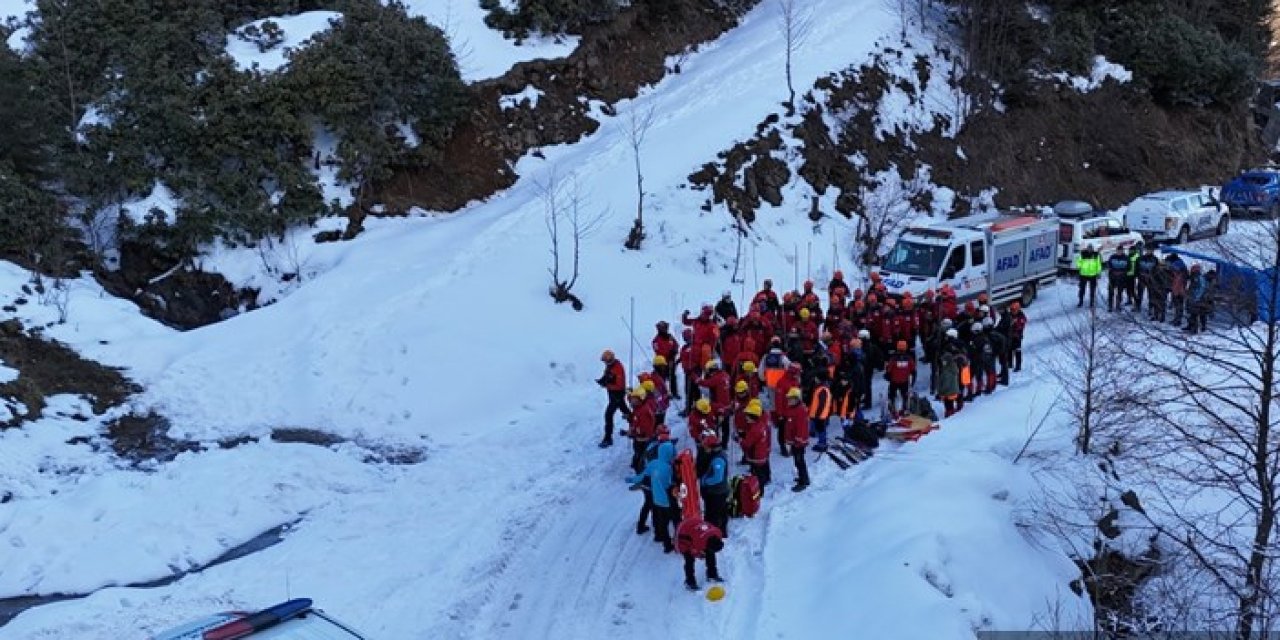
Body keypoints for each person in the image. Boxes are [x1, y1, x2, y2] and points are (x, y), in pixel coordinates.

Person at [627, 438, 677, 552]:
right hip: (668, 499)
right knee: (675, 519)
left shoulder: (653, 464)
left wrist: (632, 479)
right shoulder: (669, 468)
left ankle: (665, 544)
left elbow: (642, 476)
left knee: (662, 522)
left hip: (657, 499)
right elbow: (671, 483)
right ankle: (678, 541)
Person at [698, 430, 731, 539]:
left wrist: (705, 481)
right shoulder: (718, 453)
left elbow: (717, 478)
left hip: (716, 491)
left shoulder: (717, 460)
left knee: (713, 514)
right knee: (722, 511)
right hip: (721, 490)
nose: (705, 449)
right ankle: (722, 531)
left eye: (706, 447)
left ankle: (713, 535)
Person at [676, 518, 724, 591]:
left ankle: (712, 575)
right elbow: (695, 552)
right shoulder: (699, 541)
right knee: (689, 559)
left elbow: (709, 548)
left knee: (710, 553)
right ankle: (690, 582)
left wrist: (707, 552)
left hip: (695, 525)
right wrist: (699, 554)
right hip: (683, 532)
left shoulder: (717, 533)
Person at [596, 350, 630, 448]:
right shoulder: (610, 366)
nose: (605, 363)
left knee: (608, 414)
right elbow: (608, 376)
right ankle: (636, 425)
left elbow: (619, 385)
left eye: (606, 361)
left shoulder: (618, 368)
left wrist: (607, 385)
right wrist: (602, 380)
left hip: (617, 394)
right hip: (612, 394)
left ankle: (608, 438)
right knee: (625, 411)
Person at [780, 387, 810, 491]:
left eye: (791, 398)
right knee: (797, 461)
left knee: (799, 461)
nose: (788, 400)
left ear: (797, 399)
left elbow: (801, 428)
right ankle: (803, 478)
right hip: (794, 442)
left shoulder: (800, 411)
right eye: (788, 398)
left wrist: (798, 441)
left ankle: (804, 481)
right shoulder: (792, 409)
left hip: (798, 443)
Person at [698, 359, 733, 440]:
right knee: (725, 426)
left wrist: (696, 378)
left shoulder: (716, 378)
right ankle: (724, 443)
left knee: (715, 425)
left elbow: (705, 383)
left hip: (717, 406)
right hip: (727, 405)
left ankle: (715, 441)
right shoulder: (726, 375)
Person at [741, 399, 772, 487]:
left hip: (757, 453)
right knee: (763, 465)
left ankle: (759, 486)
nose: (746, 417)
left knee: (758, 471)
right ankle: (765, 478)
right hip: (762, 449)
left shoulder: (757, 427)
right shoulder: (761, 422)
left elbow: (747, 443)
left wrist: (740, 440)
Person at [625, 386, 655, 472]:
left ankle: (639, 470)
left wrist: (633, 432)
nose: (632, 401)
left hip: (642, 439)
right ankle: (636, 464)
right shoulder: (638, 408)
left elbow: (643, 428)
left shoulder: (643, 411)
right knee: (638, 452)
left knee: (640, 454)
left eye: (635, 399)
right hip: (639, 437)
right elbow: (635, 419)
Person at [884, 340, 916, 415]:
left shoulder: (893, 358)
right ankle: (904, 409)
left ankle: (893, 410)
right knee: (905, 396)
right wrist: (913, 380)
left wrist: (887, 375)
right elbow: (913, 370)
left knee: (892, 396)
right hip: (904, 381)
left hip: (894, 381)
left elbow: (889, 369)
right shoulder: (909, 358)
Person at [652, 322, 681, 400]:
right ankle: (663, 394)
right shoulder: (656, 340)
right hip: (661, 363)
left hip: (671, 361)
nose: (665, 329)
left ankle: (674, 393)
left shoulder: (670, 337)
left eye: (665, 327)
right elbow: (658, 351)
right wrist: (668, 356)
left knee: (672, 377)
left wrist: (674, 352)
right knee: (661, 379)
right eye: (662, 328)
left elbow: (676, 345)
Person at [808, 373, 834, 452]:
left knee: (821, 429)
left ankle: (822, 444)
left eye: (816, 378)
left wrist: (817, 414)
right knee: (820, 429)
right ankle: (822, 442)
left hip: (820, 415)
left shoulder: (822, 389)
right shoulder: (821, 388)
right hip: (819, 414)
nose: (815, 379)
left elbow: (822, 404)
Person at [937, 341, 963, 417]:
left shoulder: (947, 371)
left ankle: (949, 415)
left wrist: (941, 392)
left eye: (944, 361)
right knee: (955, 399)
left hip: (948, 393)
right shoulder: (953, 367)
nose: (942, 362)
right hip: (954, 390)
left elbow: (946, 384)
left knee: (948, 405)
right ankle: (959, 406)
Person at [1134, 245, 1159, 314]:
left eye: (1151, 250)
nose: (1149, 251)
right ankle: (1138, 306)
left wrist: (1155, 279)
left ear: (1153, 251)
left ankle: (1150, 308)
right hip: (1141, 279)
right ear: (1146, 250)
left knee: (1151, 294)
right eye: (1148, 250)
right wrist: (1137, 276)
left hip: (1151, 280)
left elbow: (1157, 271)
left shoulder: (1155, 259)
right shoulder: (1140, 258)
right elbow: (1136, 269)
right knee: (1139, 293)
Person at [1076, 243, 1102, 308]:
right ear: (1087, 248)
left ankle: (1091, 302)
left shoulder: (1096, 255)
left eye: (1091, 248)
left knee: (1092, 289)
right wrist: (1079, 267)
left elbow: (1098, 264)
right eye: (1088, 248)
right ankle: (1080, 301)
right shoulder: (1082, 254)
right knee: (1082, 289)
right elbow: (1078, 262)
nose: (1090, 249)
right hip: (1083, 274)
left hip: (1093, 275)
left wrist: (1098, 273)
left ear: (1092, 249)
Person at [1106, 247, 1131, 312]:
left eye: (1121, 251)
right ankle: (1110, 306)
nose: (1119, 252)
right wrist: (1112, 271)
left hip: (1121, 277)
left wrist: (1122, 272)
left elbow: (1129, 267)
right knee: (1111, 292)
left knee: (1119, 292)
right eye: (1118, 251)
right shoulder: (1112, 257)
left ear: (1123, 251)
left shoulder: (1126, 258)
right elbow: (1108, 265)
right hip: (1112, 277)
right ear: (1116, 251)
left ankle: (1118, 305)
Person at [1186, 264, 1209, 333]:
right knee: (1191, 312)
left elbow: (1202, 288)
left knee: (1197, 313)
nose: (1191, 271)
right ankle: (1190, 326)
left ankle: (1196, 328)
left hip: (1199, 298)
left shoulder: (1199, 277)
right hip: (1192, 297)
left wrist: (1196, 297)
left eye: (1193, 269)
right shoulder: (1193, 277)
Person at [1168, 253, 1189, 325]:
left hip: (1179, 292)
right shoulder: (1181, 269)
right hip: (1178, 291)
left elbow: (1179, 285)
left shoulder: (1180, 274)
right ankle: (1177, 319)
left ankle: (1178, 320)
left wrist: (1176, 292)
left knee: (1179, 306)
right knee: (1178, 306)